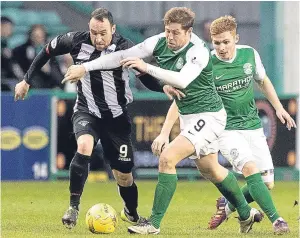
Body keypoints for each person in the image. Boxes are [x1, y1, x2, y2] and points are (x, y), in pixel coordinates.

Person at [62, 7, 263, 235]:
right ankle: (246, 215)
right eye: (167, 31)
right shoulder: (159, 42)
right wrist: (84, 67)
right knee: (212, 170)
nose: (170, 36)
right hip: (189, 117)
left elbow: (182, 80)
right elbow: (121, 56)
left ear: (188, 32)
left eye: (175, 32)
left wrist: (146, 66)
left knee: (167, 159)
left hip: (209, 116)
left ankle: (153, 224)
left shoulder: (198, 51)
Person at [14, 8, 174, 230]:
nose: (98, 38)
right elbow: (47, 51)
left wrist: (163, 85)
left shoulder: (125, 47)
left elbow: (144, 76)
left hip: (117, 118)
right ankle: (73, 207)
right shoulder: (76, 40)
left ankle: (132, 213)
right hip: (87, 111)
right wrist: (26, 80)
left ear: (113, 30)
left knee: (124, 176)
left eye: (103, 33)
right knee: (84, 145)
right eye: (94, 33)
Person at [160, 15, 295, 235]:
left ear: (236, 39)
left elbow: (263, 80)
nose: (221, 47)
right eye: (217, 43)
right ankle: (277, 220)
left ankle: (228, 203)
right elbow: (180, 97)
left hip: (252, 125)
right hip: (224, 128)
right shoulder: (205, 63)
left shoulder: (249, 54)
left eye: (226, 42)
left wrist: (279, 108)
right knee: (250, 169)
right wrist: (165, 132)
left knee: (267, 183)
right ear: (211, 41)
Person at [13, 24, 63, 89]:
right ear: (30, 36)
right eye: (35, 36)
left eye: (40, 36)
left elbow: (56, 71)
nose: (38, 38)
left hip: (48, 84)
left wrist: (48, 69)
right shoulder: (21, 50)